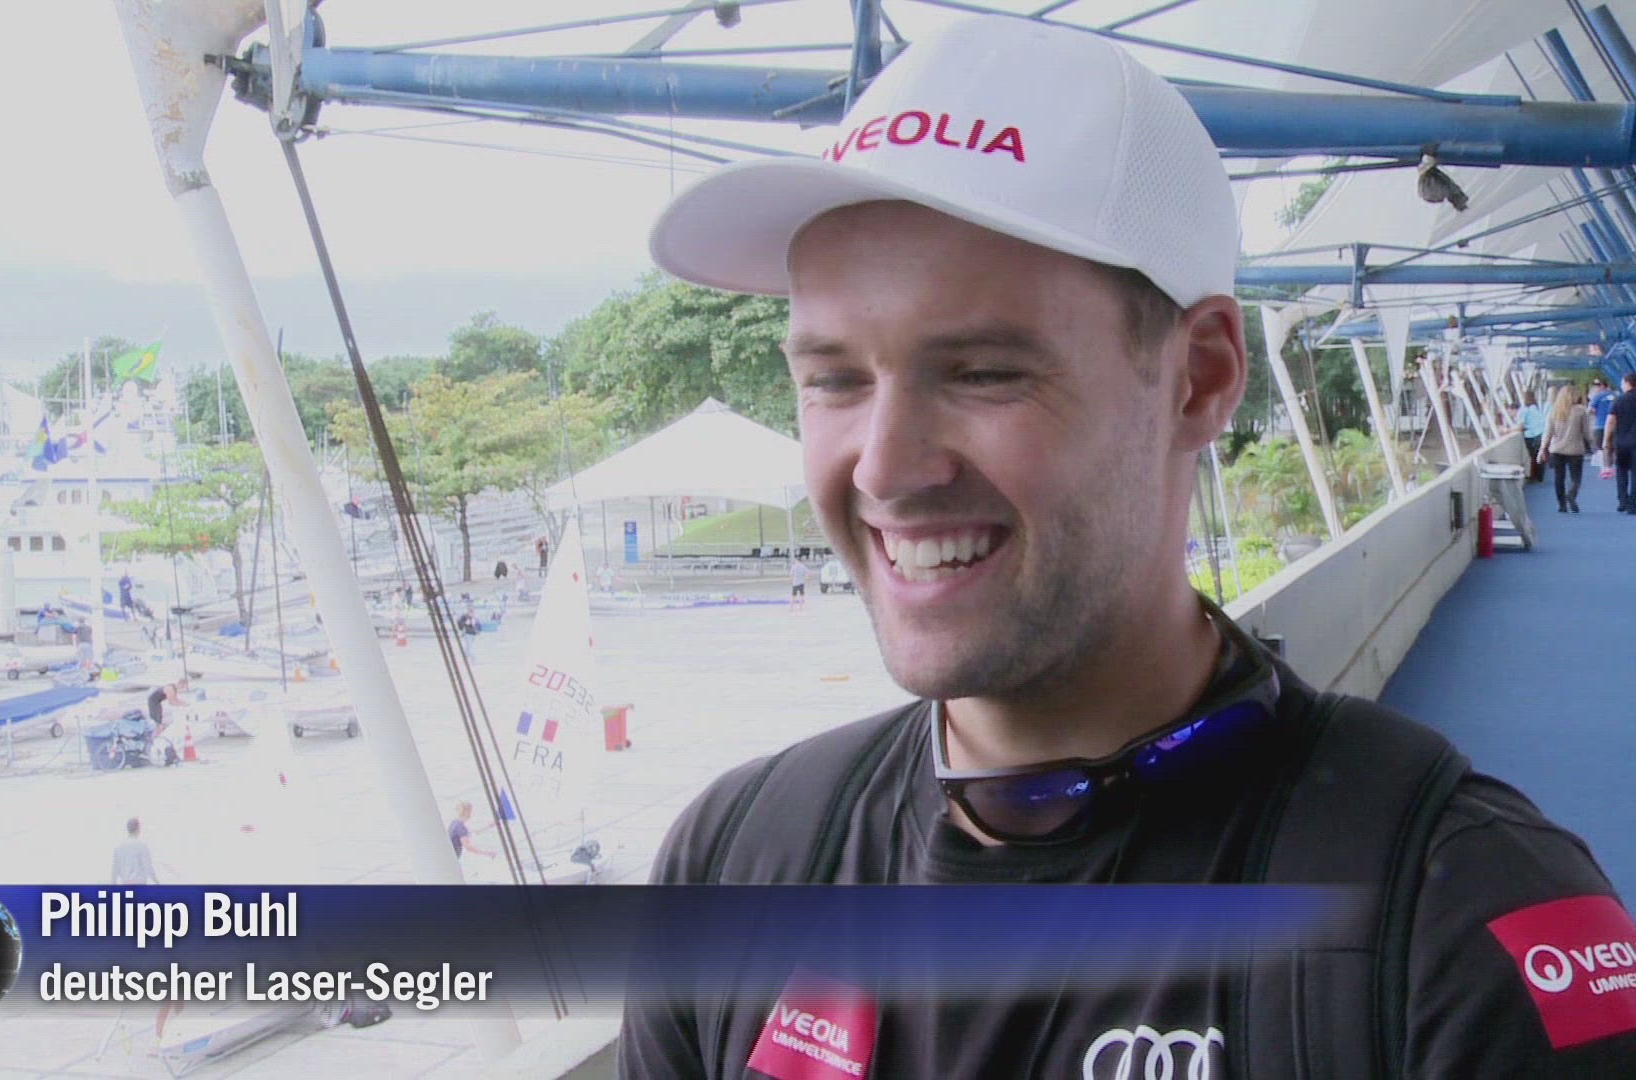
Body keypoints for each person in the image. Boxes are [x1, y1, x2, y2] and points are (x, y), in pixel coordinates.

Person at [619, 17, 1636, 1077]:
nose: (884, 466)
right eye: (833, 379)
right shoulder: (734, 864)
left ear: (1201, 377)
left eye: (982, 372)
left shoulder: (1461, 934)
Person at [1539, 384, 1592, 513]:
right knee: (1576, 477)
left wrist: (1543, 448)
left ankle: (1562, 505)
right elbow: (1587, 432)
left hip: (1556, 450)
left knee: (1559, 478)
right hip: (1575, 449)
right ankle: (1571, 494)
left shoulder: (1554, 411)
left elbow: (1547, 432)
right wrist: (1594, 445)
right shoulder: (1581, 410)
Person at [1604, 372, 1636, 513]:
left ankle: (1623, 501)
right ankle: (1633, 504)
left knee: (1622, 472)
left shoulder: (1619, 400)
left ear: (1628, 383)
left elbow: (1610, 421)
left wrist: (1606, 440)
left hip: (1621, 442)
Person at [112, 816, 159, 885]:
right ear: (138, 829)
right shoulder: (142, 846)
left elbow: (115, 870)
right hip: (140, 884)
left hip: (126, 884)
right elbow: (148, 867)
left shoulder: (119, 847)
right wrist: (157, 883)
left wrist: (112, 885)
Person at [1517, 395, 1546, 483]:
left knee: (1532, 456)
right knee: (1538, 455)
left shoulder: (1524, 410)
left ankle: (1533, 476)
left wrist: (1507, 430)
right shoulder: (1536, 409)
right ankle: (1540, 476)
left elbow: (1521, 426)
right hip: (1540, 433)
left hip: (1530, 435)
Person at [1589, 376, 1615, 449]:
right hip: (1613, 426)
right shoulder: (1615, 395)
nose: (1595, 387)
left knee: (1602, 448)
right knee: (1612, 448)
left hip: (1600, 425)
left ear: (1603, 385)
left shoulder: (1597, 396)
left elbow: (1590, 410)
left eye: (1597, 385)